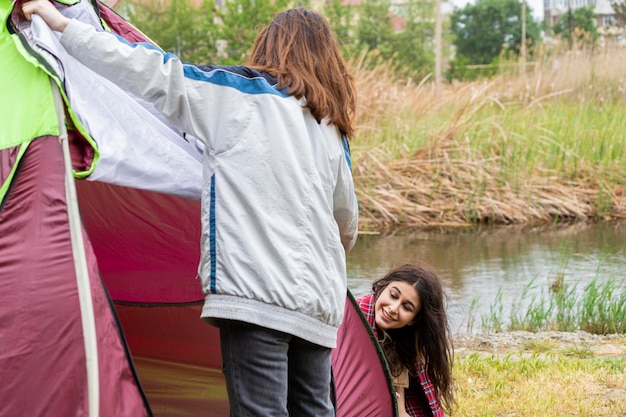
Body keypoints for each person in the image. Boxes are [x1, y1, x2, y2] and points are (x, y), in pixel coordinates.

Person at [21, 2, 359, 416]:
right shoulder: (331, 130)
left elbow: (150, 72)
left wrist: (63, 26)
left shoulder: (238, 95)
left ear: (270, 48)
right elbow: (347, 226)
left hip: (257, 298)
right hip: (319, 310)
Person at [357, 263, 455, 417]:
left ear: (413, 320)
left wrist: (396, 406)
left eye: (407, 307)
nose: (393, 308)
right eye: (393, 295)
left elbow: (400, 408)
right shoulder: (353, 317)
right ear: (382, 287)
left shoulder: (401, 339)